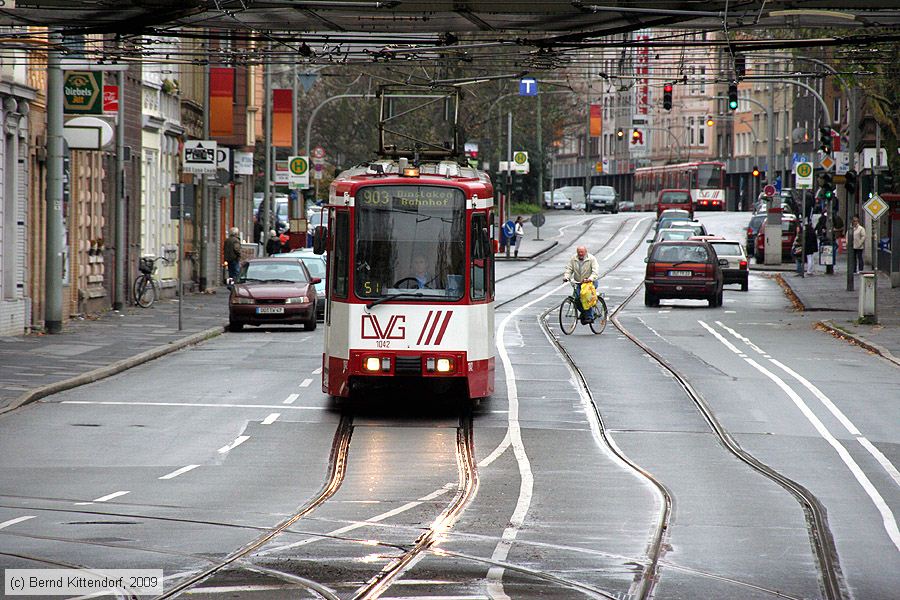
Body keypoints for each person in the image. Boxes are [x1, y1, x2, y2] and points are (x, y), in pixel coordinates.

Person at [563, 246, 600, 323]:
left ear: (586, 252)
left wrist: (590, 278)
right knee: (576, 299)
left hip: (590, 282)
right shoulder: (574, 258)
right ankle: (586, 313)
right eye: (579, 252)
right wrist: (566, 277)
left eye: (582, 252)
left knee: (586, 297)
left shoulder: (591, 259)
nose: (580, 254)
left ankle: (589, 316)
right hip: (579, 282)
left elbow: (595, 271)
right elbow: (569, 269)